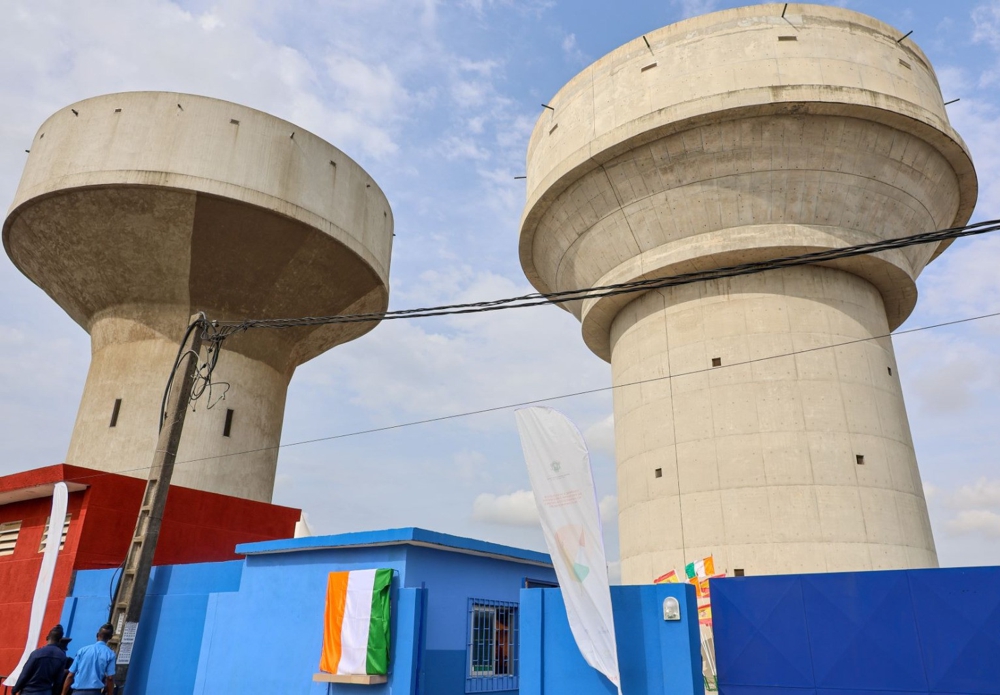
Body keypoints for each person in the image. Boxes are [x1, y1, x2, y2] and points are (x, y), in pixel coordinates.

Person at [10, 625, 68, 695]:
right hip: (46, 692)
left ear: (47, 638)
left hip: (29, 691)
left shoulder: (36, 653)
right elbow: (58, 680)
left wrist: (15, 689)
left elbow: (24, 674)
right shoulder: (62, 656)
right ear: (59, 640)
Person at [61, 624, 115, 695]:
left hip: (77, 692)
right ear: (110, 637)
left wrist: (63, 693)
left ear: (97, 635)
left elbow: (70, 675)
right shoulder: (110, 654)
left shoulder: (82, 650)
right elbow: (110, 678)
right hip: (95, 692)